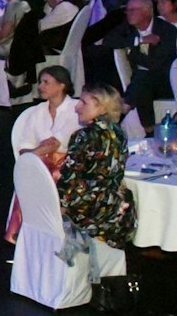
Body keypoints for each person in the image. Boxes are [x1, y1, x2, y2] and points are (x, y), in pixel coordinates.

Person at [56, 83, 136, 249]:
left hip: (86, 210)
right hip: (114, 207)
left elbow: (70, 178)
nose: (77, 107)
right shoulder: (120, 134)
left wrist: (59, 207)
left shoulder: (84, 136)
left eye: (84, 103)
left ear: (102, 108)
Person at [90, 0, 177, 131]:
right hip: (140, 83)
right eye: (127, 10)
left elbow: (155, 64)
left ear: (147, 11)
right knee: (142, 84)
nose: (128, 14)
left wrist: (132, 53)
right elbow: (108, 41)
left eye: (133, 10)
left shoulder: (167, 30)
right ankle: (148, 129)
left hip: (163, 81)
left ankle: (124, 108)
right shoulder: (128, 26)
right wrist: (140, 40)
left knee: (143, 77)